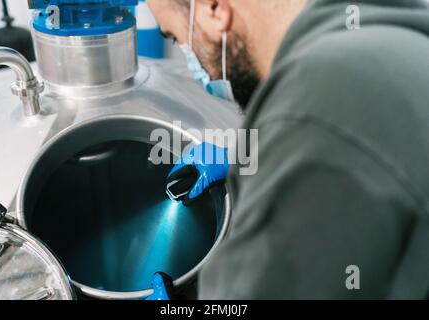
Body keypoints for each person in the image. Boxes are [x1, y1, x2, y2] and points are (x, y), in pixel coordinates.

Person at [146, 0, 429, 299]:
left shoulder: (316, 103)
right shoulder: (391, 33)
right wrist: (260, 156)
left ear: (213, 8)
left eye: (177, 38)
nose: (194, 63)